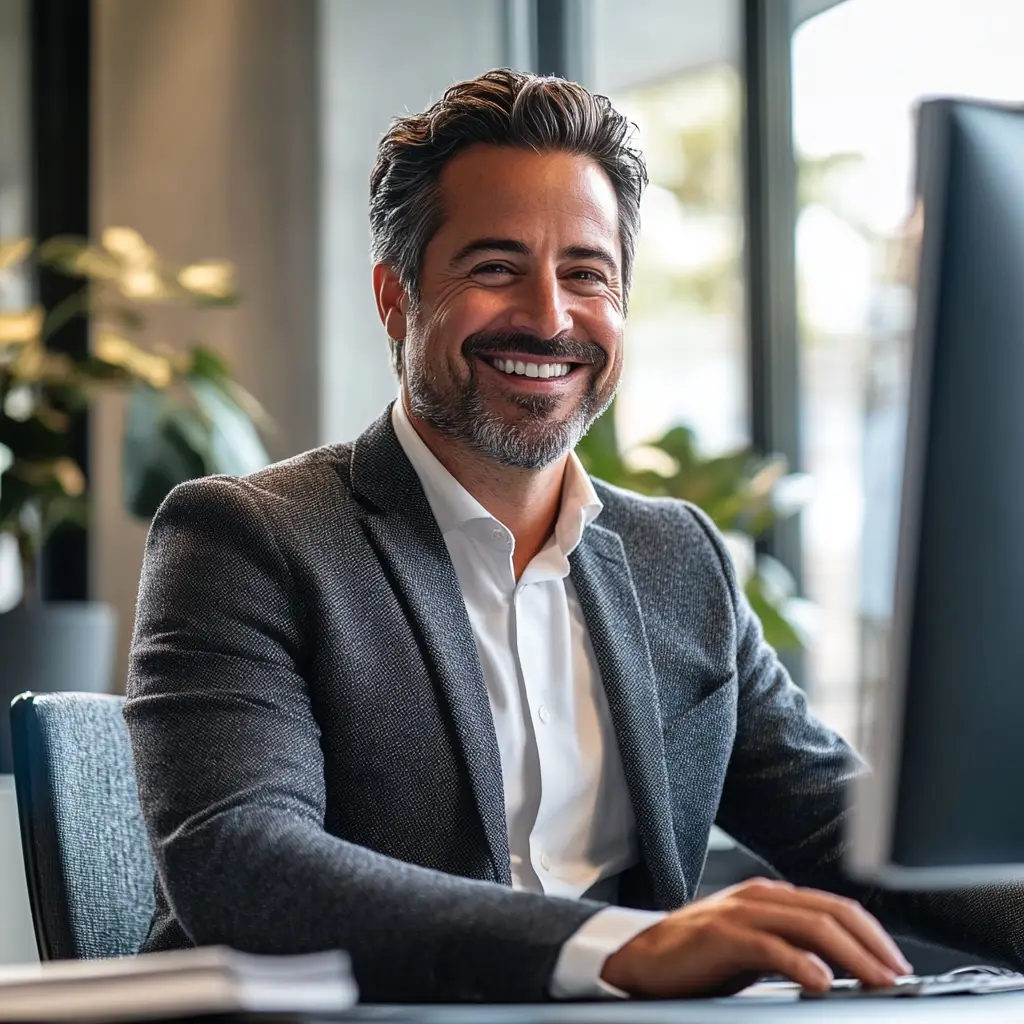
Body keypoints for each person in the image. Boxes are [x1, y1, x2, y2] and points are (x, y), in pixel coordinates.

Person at [124, 69, 1024, 1003]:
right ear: (396, 299)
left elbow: (847, 829)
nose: (550, 318)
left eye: (587, 274)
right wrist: (616, 947)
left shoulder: (678, 559)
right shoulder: (247, 539)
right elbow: (241, 863)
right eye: (495, 267)